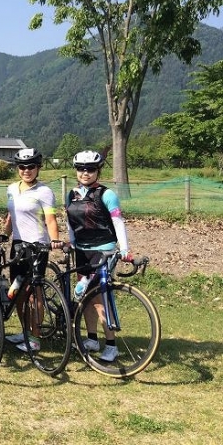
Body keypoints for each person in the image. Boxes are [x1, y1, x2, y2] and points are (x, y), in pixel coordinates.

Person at [65, 150, 133, 362]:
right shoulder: (72, 194)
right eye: (81, 169)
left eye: (90, 169)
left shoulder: (107, 194)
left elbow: (118, 222)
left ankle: (111, 345)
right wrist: (71, 243)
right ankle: (92, 338)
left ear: (98, 170)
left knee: (100, 296)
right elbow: (70, 222)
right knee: (87, 296)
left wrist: (124, 249)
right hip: (82, 250)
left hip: (104, 249)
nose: (85, 173)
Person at [2, 148, 63, 352]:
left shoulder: (44, 191)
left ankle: (35, 338)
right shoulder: (11, 188)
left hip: (37, 246)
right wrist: (4, 235)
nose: (26, 170)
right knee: (17, 291)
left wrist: (54, 240)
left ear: (38, 168)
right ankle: (24, 331)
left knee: (34, 293)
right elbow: (11, 216)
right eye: (22, 167)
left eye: (31, 167)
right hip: (18, 245)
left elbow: (50, 219)